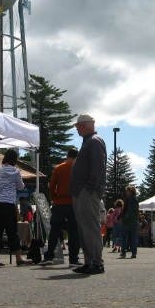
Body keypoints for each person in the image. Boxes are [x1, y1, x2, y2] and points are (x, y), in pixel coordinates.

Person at [70, 114, 107, 274]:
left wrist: (89, 189)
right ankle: (89, 261)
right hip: (83, 192)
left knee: (90, 227)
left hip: (87, 192)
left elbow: (97, 168)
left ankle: (96, 263)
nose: (77, 129)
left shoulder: (94, 142)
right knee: (84, 228)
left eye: (78, 126)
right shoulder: (90, 142)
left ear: (85, 125)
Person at [0, 148, 27, 267]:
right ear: (15, 160)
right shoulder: (16, 171)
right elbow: (20, 187)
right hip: (8, 204)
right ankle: (19, 258)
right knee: (12, 232)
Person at [41, 148, 80, 266]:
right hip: (74, 203)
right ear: (77, 157)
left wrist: (55, 198)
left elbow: (52, 186)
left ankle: (49, 257)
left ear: (67, 156)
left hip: (59, 203)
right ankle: (73, 259)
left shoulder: (59, 168)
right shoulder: (79, 168)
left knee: (54, 230)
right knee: (74, 232)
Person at [120, 184, 139, 259]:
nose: (126, 192)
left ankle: (123, 253)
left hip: (128, 222)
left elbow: (129, 211)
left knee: (125, 238)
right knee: (133, 238)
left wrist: (124, 218)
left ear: (130, 191)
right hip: (133, 221)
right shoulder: (135, 199)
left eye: (127, 191)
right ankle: (133, 253)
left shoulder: (129, 199)